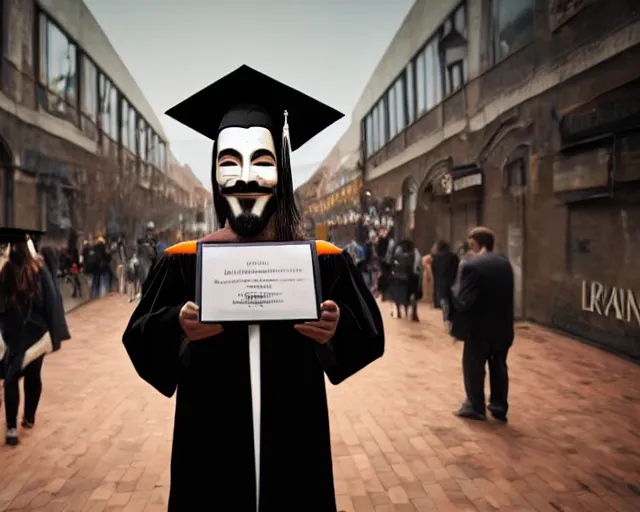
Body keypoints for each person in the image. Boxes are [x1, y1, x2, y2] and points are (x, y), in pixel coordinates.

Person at [122, 65, 385, 511]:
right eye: (229, 162)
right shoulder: (183, 260)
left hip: (295, 450)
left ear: (282, 171)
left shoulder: (320, 259)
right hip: (209, 454)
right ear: (215, 177)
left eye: (262, 162)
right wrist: (176, 325)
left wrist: (335, 328)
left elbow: (369, 337)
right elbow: (138, 338)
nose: (245, 177)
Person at [0, 228, 70, 445]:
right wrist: (54, 331)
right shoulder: (39, 268)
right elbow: (51, 300)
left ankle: (11, 429)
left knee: (11, 378)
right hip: (37, 334)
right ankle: (29, 416)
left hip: (13, 334)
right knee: (33, 374)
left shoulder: (6, 271)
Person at [450, 227, 514, 422]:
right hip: (503, 328)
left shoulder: (471, 266)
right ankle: (499, 405)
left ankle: (475, 406)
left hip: (479, 330)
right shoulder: (505, 263)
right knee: (499, 366)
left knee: (473, 367)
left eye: (471, 244)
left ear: (476, 244)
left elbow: (463, 301)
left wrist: (453, 287)